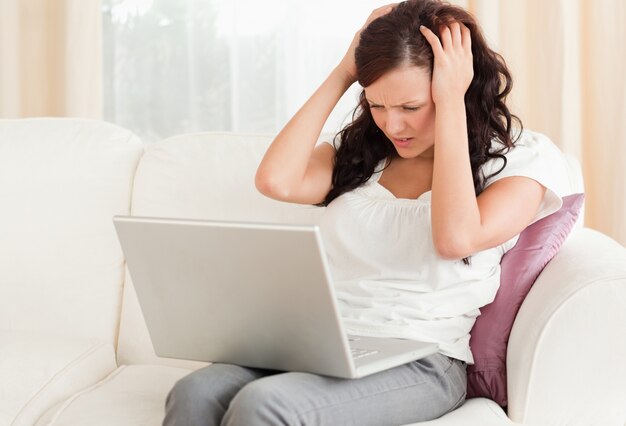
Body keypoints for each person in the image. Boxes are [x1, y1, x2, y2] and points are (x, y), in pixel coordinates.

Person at [163, 1, 568, 425]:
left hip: (424, 358)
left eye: (410, 107)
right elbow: (276, 181)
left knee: (266, 404)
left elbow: (454, 238)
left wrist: (451, 103)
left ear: (458, 87)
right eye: (377, 105)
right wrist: (343, 72)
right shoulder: (362, 156)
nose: (392, 126)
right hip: (323, 342)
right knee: (195, 392)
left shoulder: (520, 158)